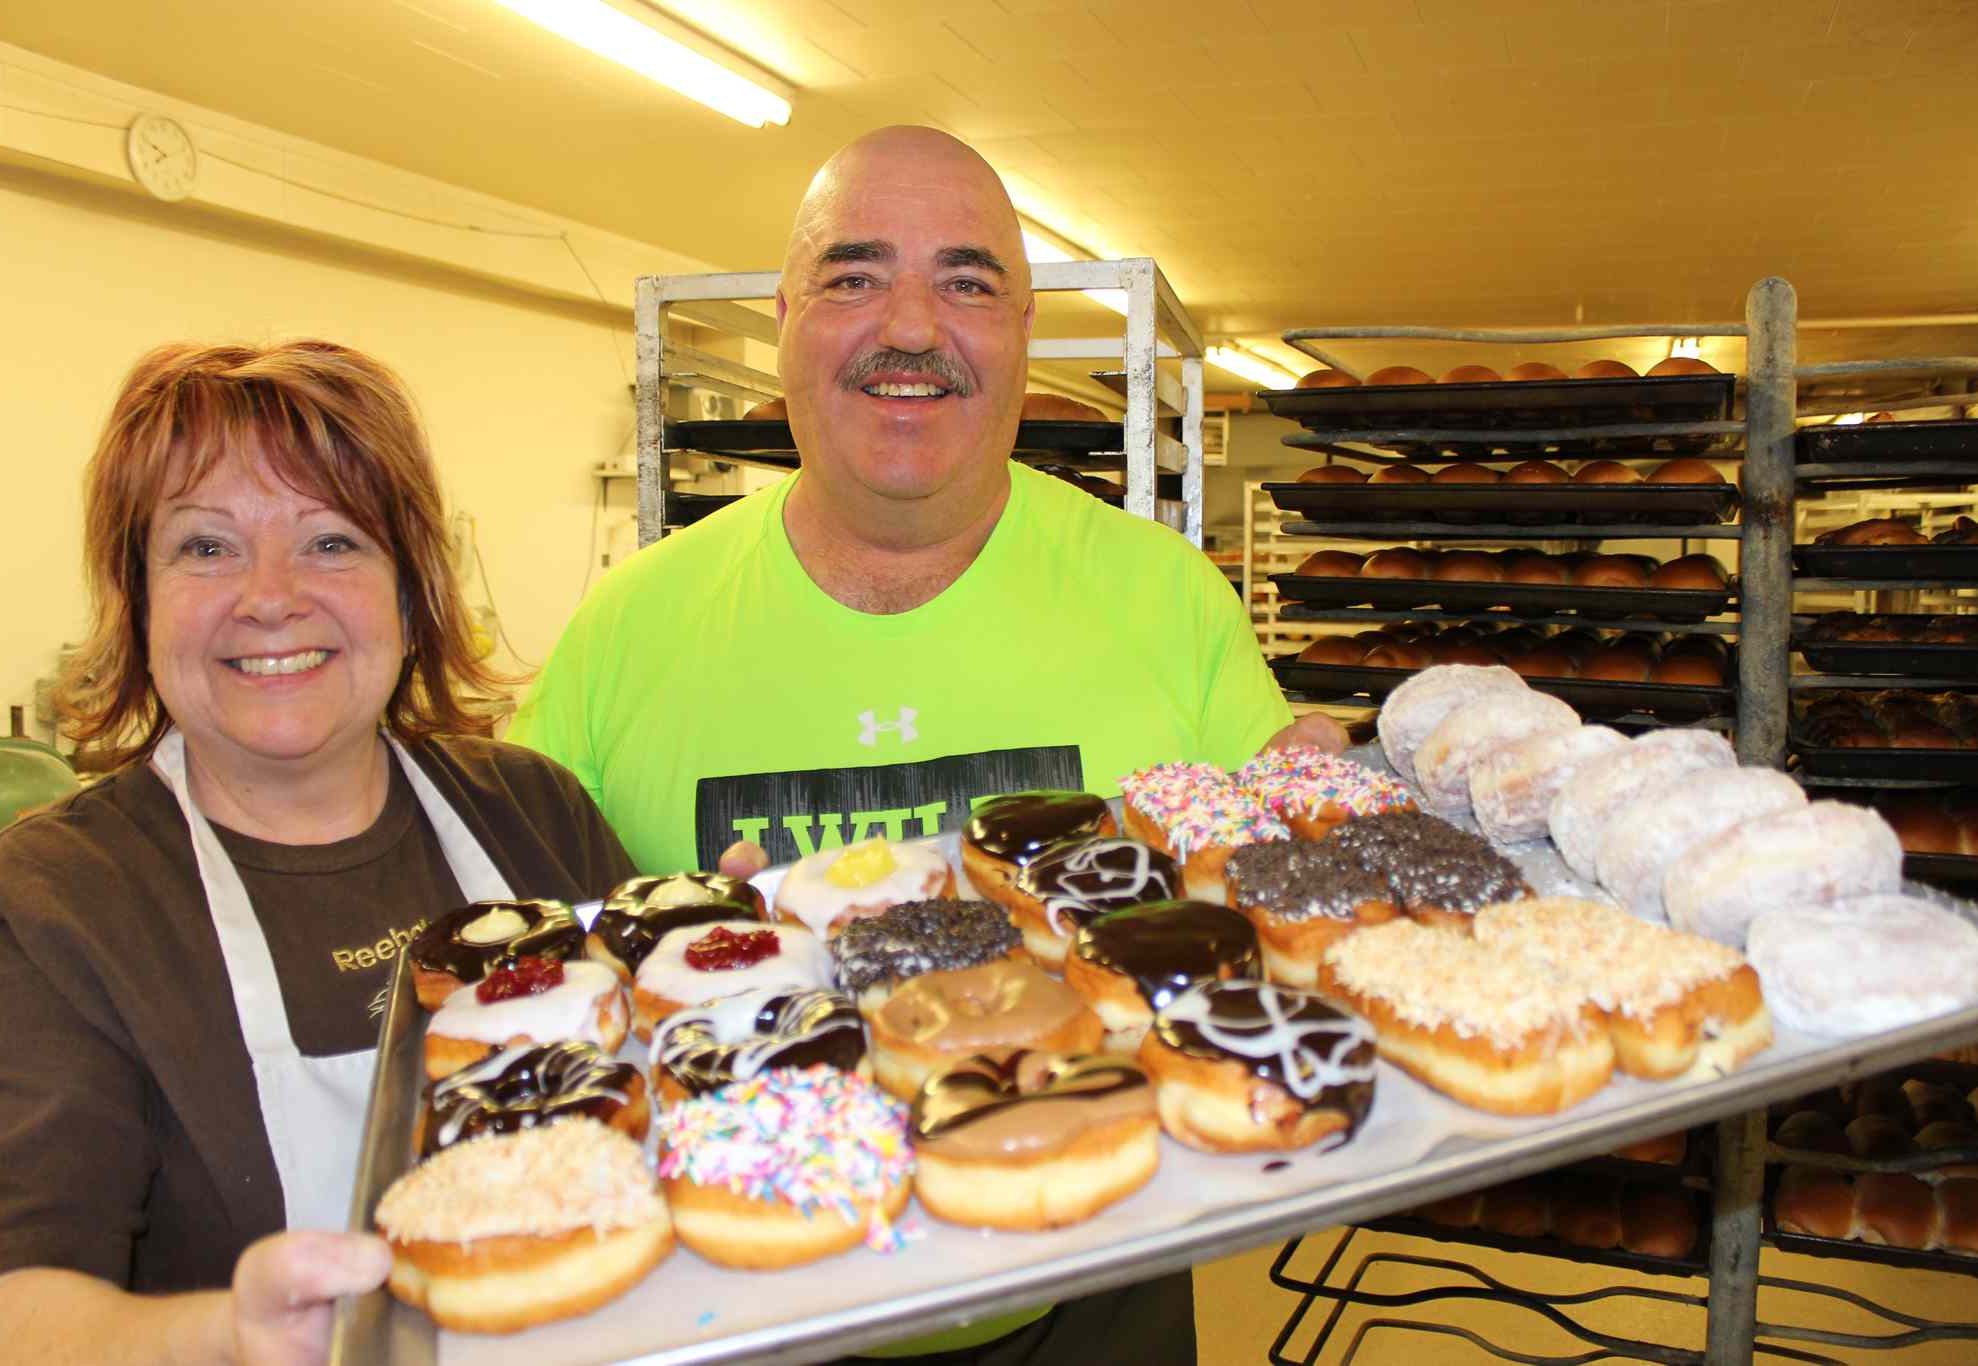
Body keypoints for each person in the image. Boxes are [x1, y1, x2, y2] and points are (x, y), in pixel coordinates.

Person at [509, 126, 1348, 1363]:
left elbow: (1285, 925)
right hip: (735, 1301)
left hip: (1093, 1291)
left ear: (1023, 333)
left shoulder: (1167, 598)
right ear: (783, 321)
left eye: (966, 282)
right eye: (851, 277)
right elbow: (520, 963)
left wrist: (1336, 812)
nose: (909, 325)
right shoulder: (625, 625)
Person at [0, 341, 637, 1364]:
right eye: (206, 547)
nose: (270, 597)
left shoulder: (530, 810)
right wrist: (226, 1337)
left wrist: (745, 975)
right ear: (138, 599)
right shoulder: (45, 910)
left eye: (330, 541)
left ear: (410, 591)